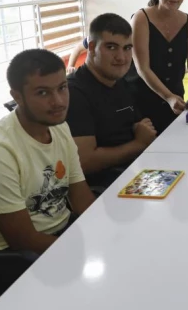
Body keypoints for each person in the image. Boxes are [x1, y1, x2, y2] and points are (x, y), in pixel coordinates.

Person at [0, 49, 95, 303]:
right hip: (5, 258)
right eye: (43, 93)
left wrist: (103, 235)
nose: (58, 101)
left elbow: (81, 197)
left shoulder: (59, 127)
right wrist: (82, 254)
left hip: (56, 234)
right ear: (17, 96)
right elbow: (23, 240)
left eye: (62, 88)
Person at [66, 13, 157, 191]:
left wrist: (141, 136)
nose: (121, 57)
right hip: (103, 187)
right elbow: (85, 162)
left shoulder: (119, 81)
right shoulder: (74, 92)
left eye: (127, 48)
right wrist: (138, 144)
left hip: (136, 172)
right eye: (111, 47)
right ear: (92, 48)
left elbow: (141, 127)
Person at [131, 0, 188, 134]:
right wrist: (168, 96)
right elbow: (142, 68)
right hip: (141, 100)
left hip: (176, 101)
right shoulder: (141, 18)